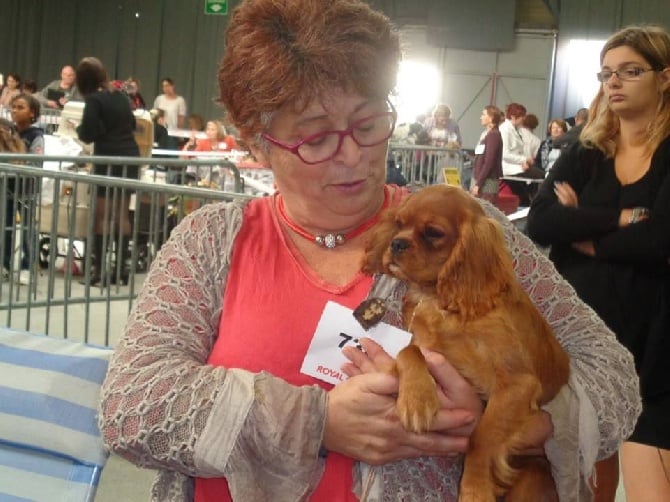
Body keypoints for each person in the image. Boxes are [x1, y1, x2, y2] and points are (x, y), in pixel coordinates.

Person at [98, 1, 641, 501]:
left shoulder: (469, 230)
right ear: (255, 143)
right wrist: (317, 421)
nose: (352, 155)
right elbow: (131, 406)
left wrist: (502, 424)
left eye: (368, 123)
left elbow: (613, 378)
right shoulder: (211, 241)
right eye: (315, 138)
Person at [527, 24, 670, 502]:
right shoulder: (587, 150)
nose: (614, 82)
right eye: (607, 73)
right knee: (581, 474)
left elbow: (661, 239)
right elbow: (543, 222)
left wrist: (584, 229)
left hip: (653, 339)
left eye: (630, 71)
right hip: (581, 333)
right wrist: (622, 218)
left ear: (664, 78)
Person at [75, 56, 140, 287]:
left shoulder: (94, 100)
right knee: (122, 216)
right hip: (129, 157)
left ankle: (100, 271)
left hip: (107, 158)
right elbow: (132, 124)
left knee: (101, 217)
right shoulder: (120, 96)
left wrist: (80, 128)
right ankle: (121, 272)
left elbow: (87, 134)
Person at [499, 102, 545, 206]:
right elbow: (505, 155)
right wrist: (525, 160)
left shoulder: (517, 130)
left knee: (539, 175)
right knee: (541, 175)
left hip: (517, 166)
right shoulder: (505, 130)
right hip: (509, 168)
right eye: (522, 117)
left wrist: (525, 161)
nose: (524, 119)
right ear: (513, 117)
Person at [182, 119, 240, 185]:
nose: (209, 132)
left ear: (219, 131)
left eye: (212, 130)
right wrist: (190, 144)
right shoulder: (202, 142)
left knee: (218, 168)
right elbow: (191, 156)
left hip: (224, 171)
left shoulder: (229, 139)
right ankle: (193, 184)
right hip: (205, 170)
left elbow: (238, 153)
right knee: (192, 164)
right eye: (208, 129)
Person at [471, 105, 503, 204]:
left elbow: (489, 162)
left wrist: (478, 184)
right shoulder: (488, 134)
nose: (481, 117)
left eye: (483, 114)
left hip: (487, 183)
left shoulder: (494, 135)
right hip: (482, 180)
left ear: (491, 118)